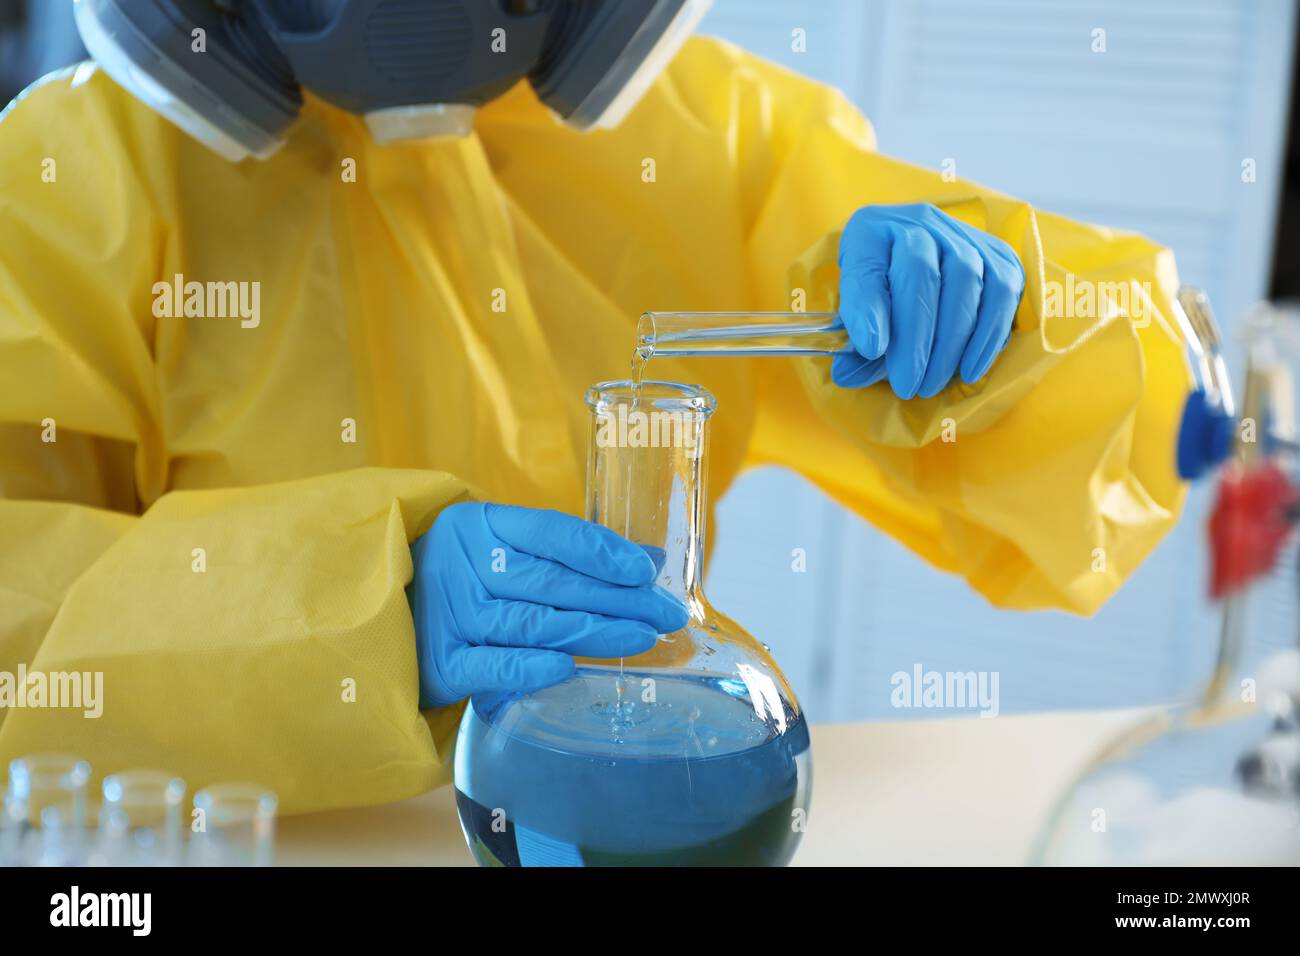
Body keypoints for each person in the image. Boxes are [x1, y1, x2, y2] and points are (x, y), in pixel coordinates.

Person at [0, 0, 1190, 814]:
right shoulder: (77, 179)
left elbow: (1151, 408)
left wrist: (1002, 322)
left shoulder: (711, 137)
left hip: (623, 815)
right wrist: (359, 606)